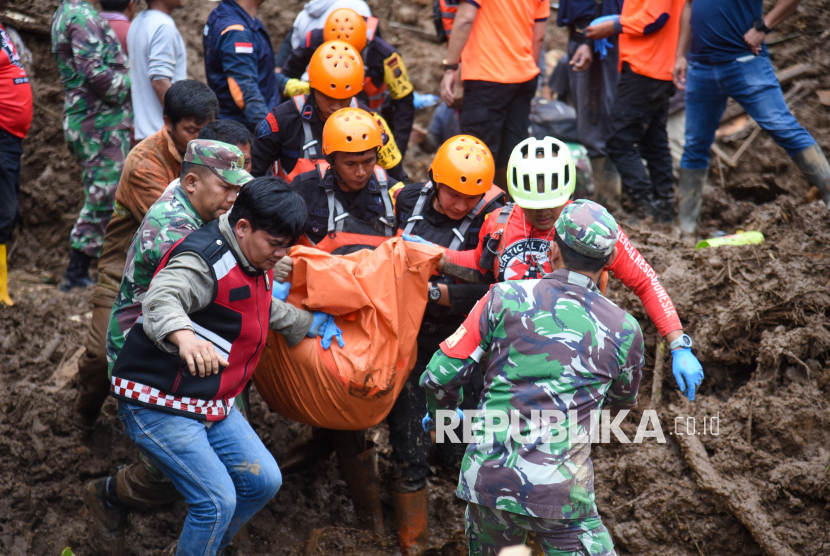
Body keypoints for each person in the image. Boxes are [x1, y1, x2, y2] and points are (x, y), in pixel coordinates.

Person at [110, 173, 322, 556]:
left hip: (209, 399)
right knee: (215, 501)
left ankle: (197, 549)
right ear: (242, 227)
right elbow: (162, 298)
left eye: (287, 246)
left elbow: (253, 307)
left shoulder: (254, 259)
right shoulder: (203, 259)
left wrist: (303, 324)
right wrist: (185, 336)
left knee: (265, 482)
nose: (281, 255)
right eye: (275, 245)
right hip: (159, 401)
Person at [421, 200, 644, 556]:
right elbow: (623, 401)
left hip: (489, 482)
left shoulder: (502, 297)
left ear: (553, 247)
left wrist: (446, 415)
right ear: (607, 263)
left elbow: (438, 376)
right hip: (560, 492)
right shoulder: (623, 329)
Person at [81, 132, 269, 551]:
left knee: (231, 455)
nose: (233, 198)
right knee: (169, 466)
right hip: (149, 347)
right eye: (227, 188)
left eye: (239, 189)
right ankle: (109, 495)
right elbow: (187, 296)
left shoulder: (203, 207)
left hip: (198, 339)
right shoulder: (173, 230)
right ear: (192, 183)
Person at [426, 136, 704, 401]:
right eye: (533, 206)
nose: (544, 214)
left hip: (575, 356)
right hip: (509, 356)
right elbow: (476, 265)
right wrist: (429, 254)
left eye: (552, 205)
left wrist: (679, 344)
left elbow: (645, 281)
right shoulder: (499, 222)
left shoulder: (590, 227)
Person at [73, 80, 218, 434]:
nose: (198, 138)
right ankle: (84, 415)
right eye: (191, 130)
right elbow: (178, 230)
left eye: (205, 129)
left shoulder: (213, 157)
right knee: (100, 355)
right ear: (168, 122)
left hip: (187, 270)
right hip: (127, 272)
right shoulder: (144, 163)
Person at [389, 135, 504, 555]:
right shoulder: (406, 200)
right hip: (410, 334)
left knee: (464, 439)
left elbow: (497, 287)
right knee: (410, 437)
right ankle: (412, 541)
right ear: (436, 180)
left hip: (466, 336)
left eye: (469, 197)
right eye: (453, 194)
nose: (460, 205)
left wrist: (438, 294)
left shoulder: (492, 218)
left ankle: (466, 509)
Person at [673, 0, 830, 234]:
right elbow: (688, 6)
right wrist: (680, 55)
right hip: (701, 67)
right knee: (695, 144)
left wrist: (763, 27)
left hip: (745, 62)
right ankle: (685, 231)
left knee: (783, 126)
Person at [51, 0, 132, 291]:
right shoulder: (81, 16)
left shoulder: (71, 12)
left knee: (104, 194)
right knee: (104, 195)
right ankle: (76, 273)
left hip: (94, 119)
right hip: (99, 122)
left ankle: (95, 269)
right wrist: (130, 84)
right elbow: (95, 71)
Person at [586, 0, 685, 222]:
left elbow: (653, 20)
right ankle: (665, 209)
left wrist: (614, 25)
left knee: (618, 141)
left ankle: (646, 207)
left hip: (646, 67)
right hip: (658, 66)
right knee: (654, 141)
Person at [252, 40, 405, 182]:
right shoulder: (282, 120)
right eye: (328, 98)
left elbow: (398, 179)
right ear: (312, 87)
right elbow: (252, 173)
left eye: (345, 99)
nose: (336, 107)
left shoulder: (372, 124)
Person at [279, 8, 416, 162]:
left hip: (367, 121)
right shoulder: (314, 40)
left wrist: (397, 151)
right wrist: (298, 90)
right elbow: (286, 74)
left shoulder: (387, 56)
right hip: (318, 114)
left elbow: (405, 102)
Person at [439, 0, 548, 185]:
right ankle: (510, 209)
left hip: (486, 77)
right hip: (523, 77)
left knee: (476, 160)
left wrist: (451, 67)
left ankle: (482, 212)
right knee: (514, 158)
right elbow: (538, 37)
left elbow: (465, 19)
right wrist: (528, 70)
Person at [204, 0, 278, 132]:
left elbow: (258, 71)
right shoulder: (235, 30)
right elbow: (245, 90)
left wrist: (286, 83)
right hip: (243, 134)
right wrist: (268, 133)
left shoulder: (239, 18)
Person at [0, 17, 33, 307]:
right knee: (4, 211)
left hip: (11, 139)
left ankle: (2, 286)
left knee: (8, 212)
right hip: (2, 137)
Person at [127, 0, 187, 142]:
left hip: (145, 134)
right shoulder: (163, 26)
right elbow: (160, 81)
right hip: (162, 136)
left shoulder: (139, 21)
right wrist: (183, 123)